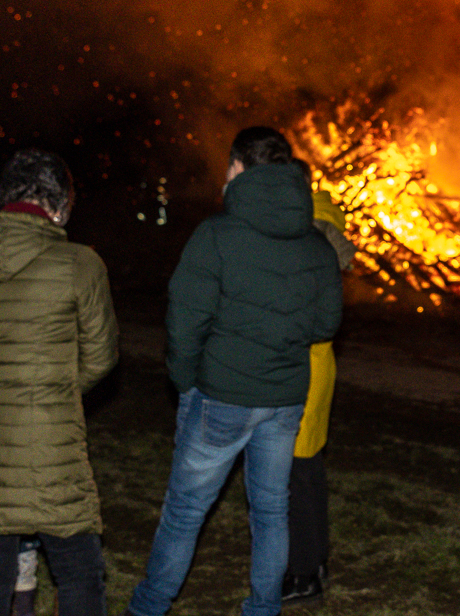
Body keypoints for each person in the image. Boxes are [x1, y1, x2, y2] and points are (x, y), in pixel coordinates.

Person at [126, 127, 343, 616]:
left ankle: (146, 609)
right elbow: (326, 323)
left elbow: (184, 320)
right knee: (270, 513)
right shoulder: (314, 244)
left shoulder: (216, 235)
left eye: (227, 166)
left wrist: (186, 380)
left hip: (220, 394)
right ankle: (264, 609)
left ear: (240, 168)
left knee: (184, 513)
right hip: (285, 398)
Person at [0, 148, 119, 616]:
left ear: (1, 200)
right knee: (79, 568)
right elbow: (100, 356)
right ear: (60, 207)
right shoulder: (79, 263)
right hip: (46, 440)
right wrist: (49, 386)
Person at [282, 173, 357, 606]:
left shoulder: (311, 231)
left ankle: (303, 574)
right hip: (318, 363)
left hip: (303, 365)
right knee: (308, 472)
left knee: (297, 477)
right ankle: (317, 562)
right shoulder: (326, 223)